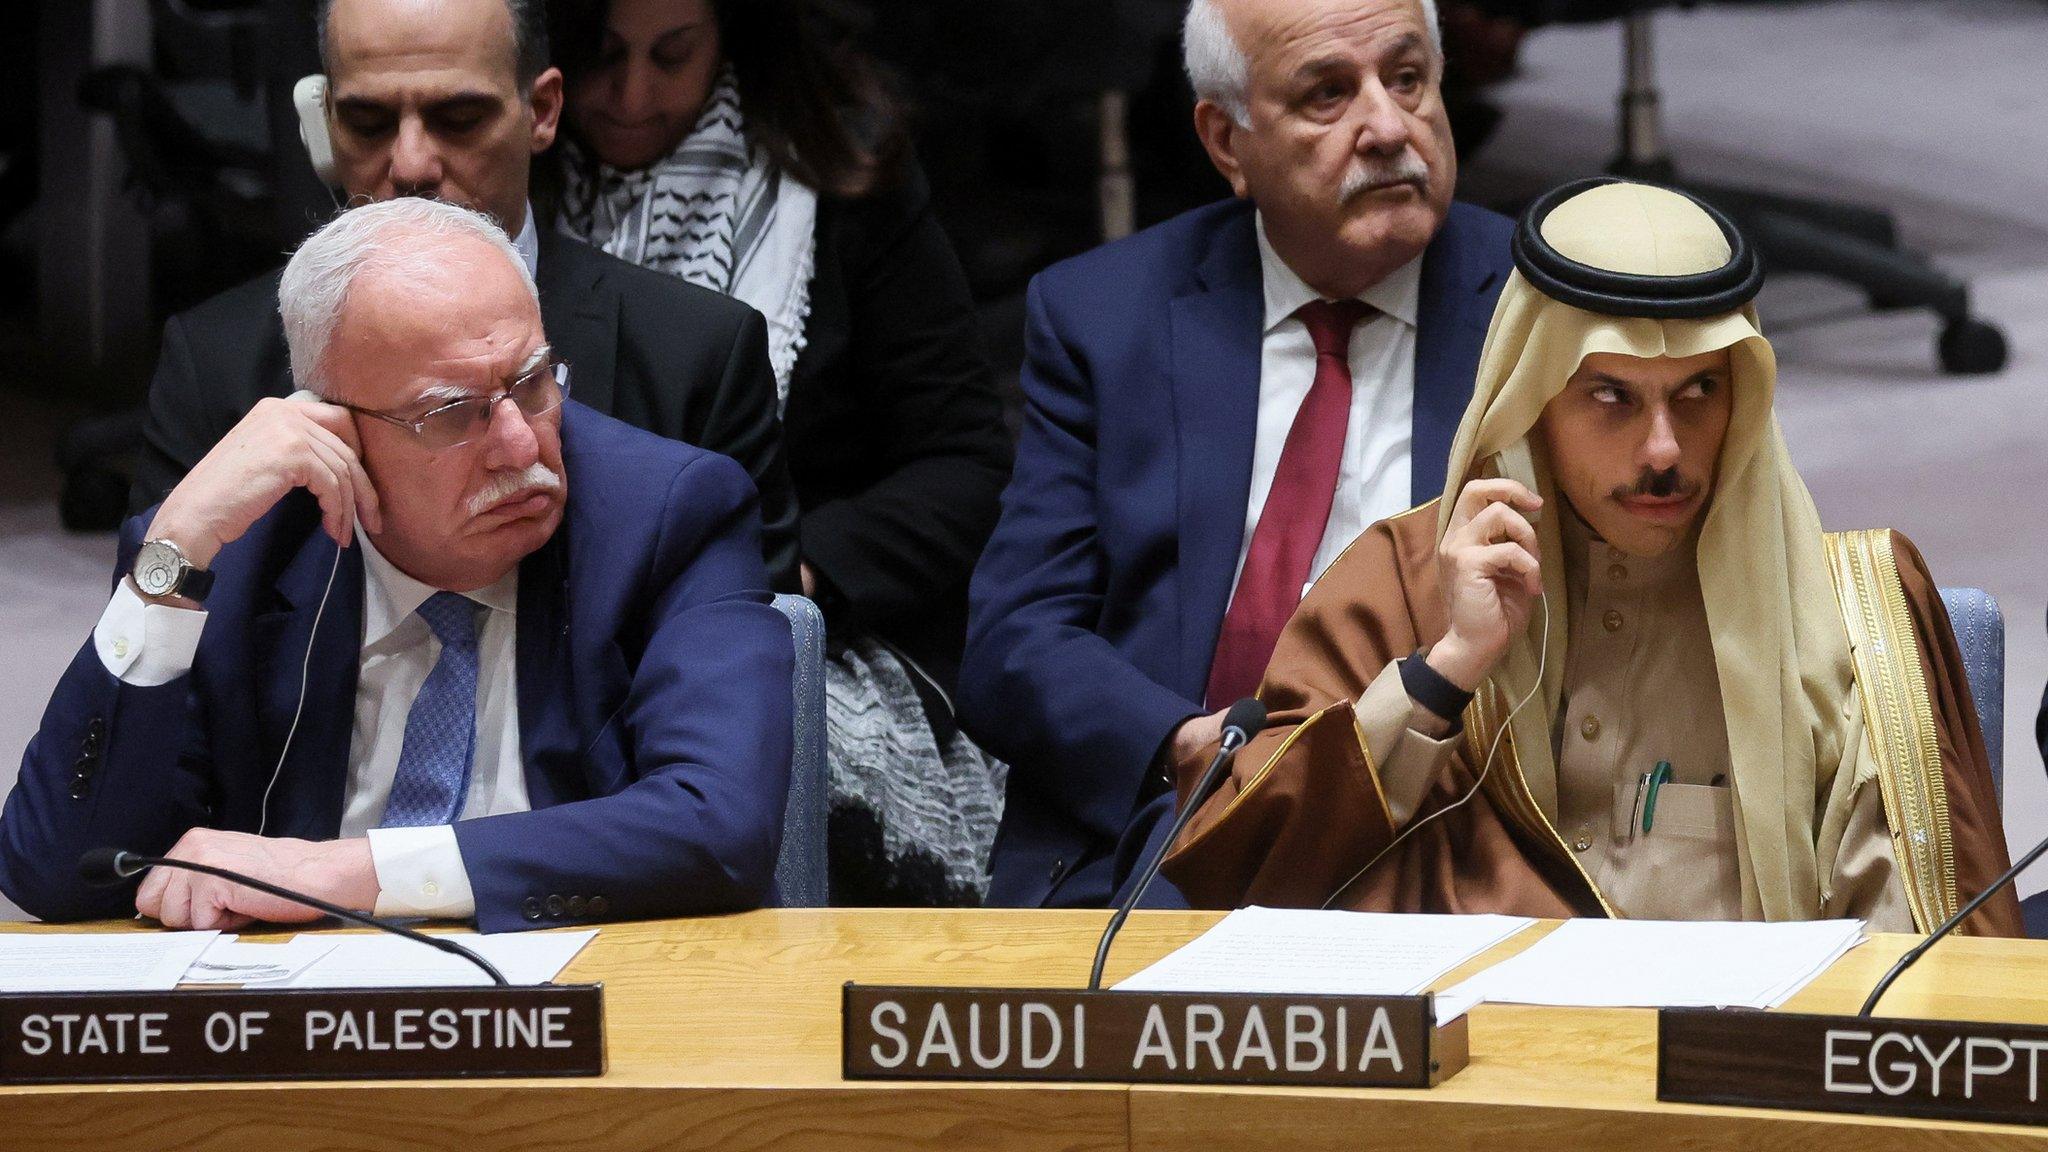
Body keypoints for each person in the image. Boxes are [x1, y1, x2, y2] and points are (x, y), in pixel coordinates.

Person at [1162, 179, 2021, 936]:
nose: (1662, 449)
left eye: (1699, 394)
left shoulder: (1850, 619)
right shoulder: (1403, 583)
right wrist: (1445, 673)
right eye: (1610, 397)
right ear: (1531, 404)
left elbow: (1914, 978)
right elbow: (1248, 889)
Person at [1, 198, 793, 934]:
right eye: (452, 414)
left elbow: (716, 823)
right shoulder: (240, 553)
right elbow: (58, 873)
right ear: (336, 430)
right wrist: (169, 553)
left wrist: (336, 872)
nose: (522, 445)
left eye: (534, 381)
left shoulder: (667, 513)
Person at [958, 0, 1514, 908]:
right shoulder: (1107, 316)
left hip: (1441, 839)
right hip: (1163, 836)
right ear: (1228, 142)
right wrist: (1180, 743)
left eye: (1407, 78)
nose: (1387, 126)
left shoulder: (1546, 309)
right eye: (1329, 94)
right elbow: (1015, 639)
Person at [544, 0, 1014, 905]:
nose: (633, 94)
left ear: (730, 39)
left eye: (671, 55)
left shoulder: (843, 176)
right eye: (600, 58)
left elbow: (964, 468)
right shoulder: (504, 180)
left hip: (797, 620)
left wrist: (794, 573)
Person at [131, 0, 801, 590]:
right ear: (322, 121)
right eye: (367, 121)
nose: (412, 164)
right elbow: (146, 699)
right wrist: (171, 550)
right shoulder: (213, 363)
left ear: (541, 111)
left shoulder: (695, 356)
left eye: (458, 118)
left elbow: (746, 668)